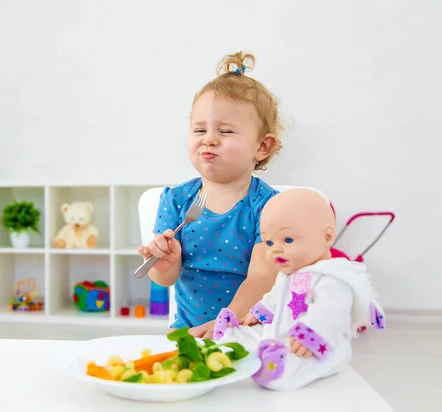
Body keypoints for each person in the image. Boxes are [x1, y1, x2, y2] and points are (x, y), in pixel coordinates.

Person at [137, 50, 283, 337]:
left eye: (226, 131)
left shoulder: (269, 206)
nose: (209, 139)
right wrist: (164, 261)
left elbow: (262, 277)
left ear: (262, 147)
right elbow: (164, 278)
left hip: (250, 329)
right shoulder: (176, 200)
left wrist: (226, 323)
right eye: (199, 129)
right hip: (189, 332)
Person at [212, 188, 386, 390]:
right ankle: (231, 338)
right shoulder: (289, 275)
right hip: (283, 331)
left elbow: (332, 312)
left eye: (287, 240)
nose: (275, 249)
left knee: (304, 360)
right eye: (269, 242)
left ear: (326, 237)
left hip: (319, 343)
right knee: (252, 333)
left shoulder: (332, 277)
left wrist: (311, 334)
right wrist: (258, 313)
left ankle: (276, 371)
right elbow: (275, 297)